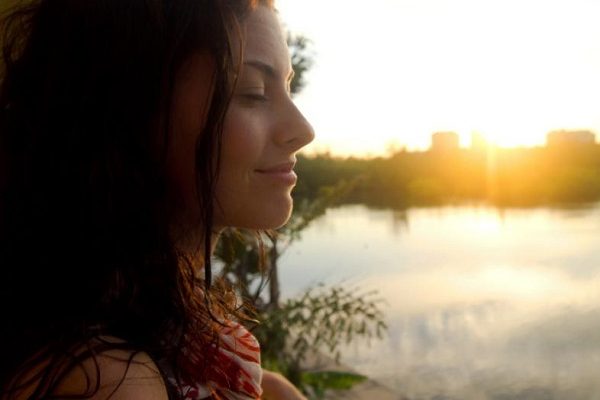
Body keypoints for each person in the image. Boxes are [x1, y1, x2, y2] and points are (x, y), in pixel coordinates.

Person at [0, 0, 314, 399]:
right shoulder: (115, 382)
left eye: (286, 86)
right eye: (252, 92)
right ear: (129, 112)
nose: (303, 129)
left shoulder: (146, 321)